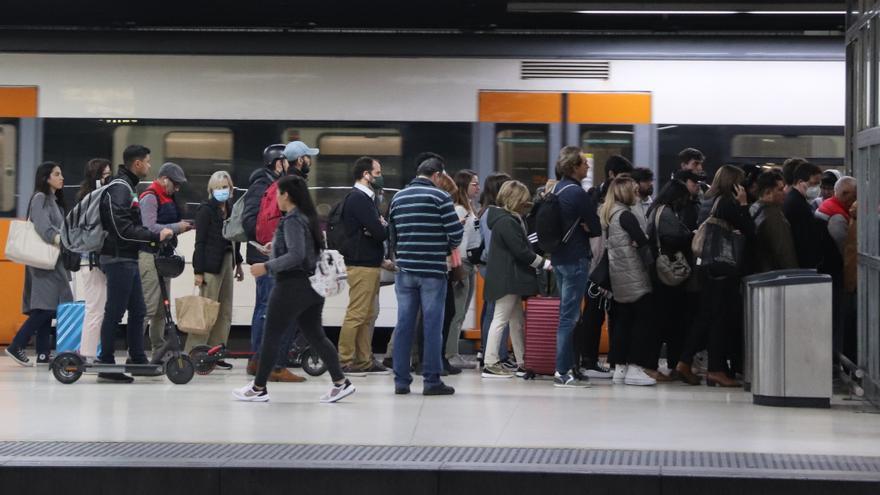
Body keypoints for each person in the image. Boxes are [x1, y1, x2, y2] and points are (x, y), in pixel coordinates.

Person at [233, 175, 355, 403]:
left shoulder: (291, 220)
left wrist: (266, 267)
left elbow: (297, 255)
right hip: (312, 287)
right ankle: (341, 383)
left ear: (286, 195)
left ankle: (258, 388)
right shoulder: (307, 218)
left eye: (278, 194)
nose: (276, 199)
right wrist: (276, 248)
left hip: (291, 286)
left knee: (271, 335)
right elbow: (303, 251)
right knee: (316, 336)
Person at [97, 145, 173, 383]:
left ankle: (137, 358)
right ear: (137, 163)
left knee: (139, 310)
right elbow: (121, 229)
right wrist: (152, 236)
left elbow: (129, 226)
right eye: (148, 162)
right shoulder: (120, 189)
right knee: (114, 312)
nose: (150, 166)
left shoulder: (128, 187)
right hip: (118, 257)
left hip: (128, 257)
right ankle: (106, 363)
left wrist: (149, 241)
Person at [388, 155, 463, 395]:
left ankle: (401, 382)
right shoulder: (441, 198)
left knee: (404, 326)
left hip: (405, 271)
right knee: (432, 326)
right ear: (437, 175)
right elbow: (456, 236)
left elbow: (392, 236)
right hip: (432, 271)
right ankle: (431, 381)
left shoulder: (398, 197)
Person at [675, 165, 755, 388]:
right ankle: (716, 370)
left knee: (706, 315)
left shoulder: (710, 199)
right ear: (734, 183)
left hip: (706, 266)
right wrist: (744, 204)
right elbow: (751, 229)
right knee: (720, 318)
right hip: (722, 266)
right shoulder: (729, 203)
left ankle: (685, 361)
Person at [241, 144, 304, 382]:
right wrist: (275, 243)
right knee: (270, 310)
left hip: (267, 255)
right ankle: (271, 363)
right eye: (287, 161)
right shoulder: (263, 185)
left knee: (264, 309)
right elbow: (251, 222)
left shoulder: (266, 182)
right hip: (267, 256)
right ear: (279, 163)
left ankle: (258, 361)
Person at [4, 162, 74, 366]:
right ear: (46, 178)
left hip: (51, 261)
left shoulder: (53, 200)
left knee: (48, 307)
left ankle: (43, 354)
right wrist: (61, 239)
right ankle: (16, 345)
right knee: (44, 309)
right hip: (44, 262)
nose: (62, 178)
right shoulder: (40, 198)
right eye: (57, 174)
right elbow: (43, 227)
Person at [481, 180, 551, 378]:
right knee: (501, 320)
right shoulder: (506, 222)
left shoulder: (506, 219)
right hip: (508, 279)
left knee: (516, 321)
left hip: (510, 278)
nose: (525, 203)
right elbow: (520, 251)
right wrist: (544, 264)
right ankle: (491, 363)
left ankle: (522, 361)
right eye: (523, 200)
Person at [576, 155, 634, 379]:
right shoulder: (597, 200)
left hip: (606, 265)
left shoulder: (602, 200)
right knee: (594, 313)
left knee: (609, 314)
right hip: (598, 266)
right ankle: (588, 360)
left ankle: (608, 360)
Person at [551, 146, 601, 388]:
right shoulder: (578, 194)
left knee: (567, 313)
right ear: (573, 167)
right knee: (569, 317)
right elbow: (597, 228)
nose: (588, 166)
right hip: (576, 259)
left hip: (559, 259)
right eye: (584, 163)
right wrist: (585, 225)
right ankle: (562, 371)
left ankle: (569, 367)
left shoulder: (556, 189)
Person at [336, 156, 390, 376]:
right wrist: (380, 227)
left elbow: (376, 230)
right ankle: (344, 360)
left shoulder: (367, 199)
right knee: (357, 313)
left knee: (366, 314)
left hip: (368, 263)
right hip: (361, 265)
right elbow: (380, 232)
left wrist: (378, 227)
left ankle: (364, 360)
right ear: (366, 175)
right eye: (377, 173)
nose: (380, 177)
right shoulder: (358, 199)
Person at [602, 177, 657, 386]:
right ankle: (635, 367)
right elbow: (643, 241)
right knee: (642, 322)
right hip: (634, 276)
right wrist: (642, 240)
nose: (637, 195)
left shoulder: (611, 214)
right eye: (634, 191)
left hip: (618, 277)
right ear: (625, 193)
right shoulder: (626, 215)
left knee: (623, 323)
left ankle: (620, 368)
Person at [186, 171, 244, 360]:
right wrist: (198, 271)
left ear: (231, 188)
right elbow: (200, 242)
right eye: (218, 188)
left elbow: (236, 237)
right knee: (206, 310)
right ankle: (195, 353)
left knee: (224, 311)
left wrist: (239, 263)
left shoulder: (231, 208)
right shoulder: (206, 209)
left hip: (228, 261)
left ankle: (215, 354)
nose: (222, 191)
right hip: (210, 266)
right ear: (211, 190)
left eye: (225, 187)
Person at [139, 162, 192, 356]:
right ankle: (135, 351)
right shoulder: (150, 197)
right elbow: (149, 227)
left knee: (162, 308)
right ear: (164, 179)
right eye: (175, 184)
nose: (177, 188)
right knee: (148, 306)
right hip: (149, 256)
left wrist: (177, 228)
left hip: (163, 256)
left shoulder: (167, 197)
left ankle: (158, 350)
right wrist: (177, 227)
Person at [646, 179, 694, 382]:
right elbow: (676, 237)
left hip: (658, 273)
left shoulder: (655, 210)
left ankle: (666, 364)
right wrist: (690, 234)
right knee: (665, 320)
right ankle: (653, 366)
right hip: (665, 273)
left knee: (666, 320)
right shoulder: (665, 213)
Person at [76, 158, 112, 362]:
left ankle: (91, 352)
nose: (108, 179)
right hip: (90, 261)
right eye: (105, 175)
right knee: (95, 308)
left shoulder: (93, 197)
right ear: (96, 178)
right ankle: (87, 354)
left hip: (96, 261)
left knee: (99, 307)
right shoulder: (91, 200)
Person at [446, 169, 481, 370]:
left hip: (469, 264)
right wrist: (457, 269)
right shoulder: (459, 210)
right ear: (463, 186)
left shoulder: (470, 208)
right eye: (474, 183)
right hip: (462, 265)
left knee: (462, 310)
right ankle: (451, 353)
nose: (478, 187)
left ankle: (452, 352)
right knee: (457, 312)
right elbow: (458, 243)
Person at [476, 172, 512, 368]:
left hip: (489, 267)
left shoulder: (488, 211)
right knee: (495, 311)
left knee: (492, 310)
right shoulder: (492, 213)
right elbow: (492, 248)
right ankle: (496, 355)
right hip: (494, 267)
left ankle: (491, 352)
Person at [750, 170, 798, 272]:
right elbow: (784, 252)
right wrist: (792, 275)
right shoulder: (773, 216)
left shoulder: (754, 207)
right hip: (772, 275)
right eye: (780, 189)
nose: (784, 192)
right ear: (768, 192)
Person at [783, 161, 824, 269]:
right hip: (802, 264)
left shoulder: (795, 199)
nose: (817, 188)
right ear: (801, 182)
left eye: (819, 184)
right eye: (814, 183)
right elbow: (803, 238)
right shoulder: (797, 204)